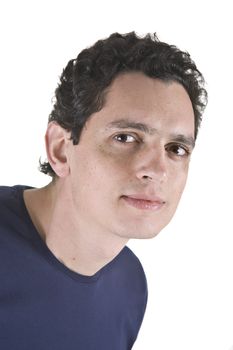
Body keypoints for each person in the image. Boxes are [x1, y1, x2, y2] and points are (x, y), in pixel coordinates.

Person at [0, 32, 207, 349]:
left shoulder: (130, 287)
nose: (157, 170)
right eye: (125, 137)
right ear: (60, 149)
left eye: (176, 148)